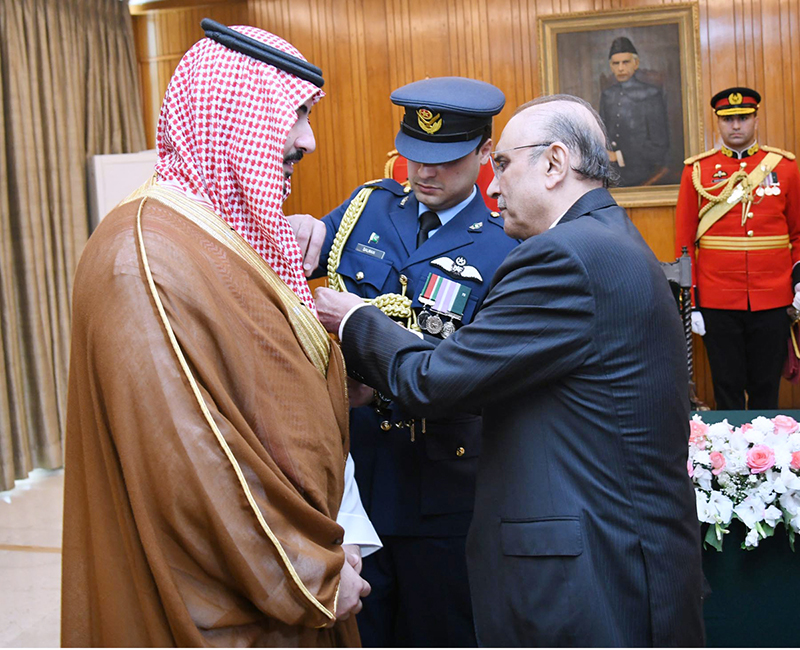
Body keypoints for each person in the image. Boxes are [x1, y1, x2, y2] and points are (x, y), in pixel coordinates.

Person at [314, 94, 706, 647]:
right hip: (617, 552)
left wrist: (354, 317)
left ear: (553, 164)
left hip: (589, 572)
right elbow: (522, 389)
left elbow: (435, 380)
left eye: (501, 166)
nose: (491, 187)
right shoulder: (606, 240)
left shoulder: (564, 258)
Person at [61, 20, 376, 647]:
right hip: (231, 595)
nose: (308, 141)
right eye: (297, 115)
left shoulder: (206, 236)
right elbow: (191, 457)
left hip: (275, 568)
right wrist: (309, 573)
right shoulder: (145, 257)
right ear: (234, 117)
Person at [289, 76, 518, 647]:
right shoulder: (370, 207)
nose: (424, 173)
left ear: (485, 155)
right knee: (360, 633)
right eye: (414, 156)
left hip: (440, 484)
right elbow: (309, 257)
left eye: (444, 160)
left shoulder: (505, 246)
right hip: (353, 476)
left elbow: (484, 374)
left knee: (440, 627)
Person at [675, 86, 800, 410]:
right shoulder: (697, 171)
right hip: (718, 299)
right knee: (726, 386)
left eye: (743, 118)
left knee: (766, 386)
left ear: (756, 119)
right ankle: (728, 458)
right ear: (718, 122)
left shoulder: (784, 168)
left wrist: (799, 281)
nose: (735, 126)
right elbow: (685, 243)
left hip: (773, 297)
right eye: (728, 119)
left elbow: (798, 234)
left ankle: (769, 458)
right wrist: (693, 301)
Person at [599, 36, 670, 186]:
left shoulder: (651, 94)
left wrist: (619, 156)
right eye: (615, 63)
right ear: (610, 66)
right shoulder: (607, 95)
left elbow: (659, 144)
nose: (620, 68)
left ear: (636, 63)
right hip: (611, 174)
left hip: (642, 172)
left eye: (625, 62)